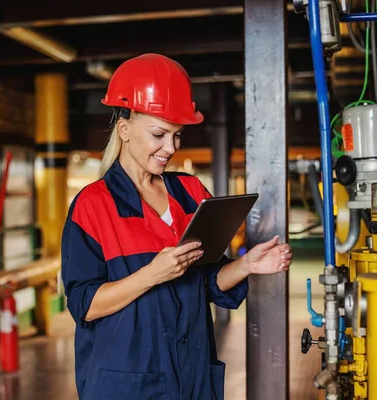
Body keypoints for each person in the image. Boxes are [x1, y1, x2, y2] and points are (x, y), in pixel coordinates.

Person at [61, 53, 292, 400]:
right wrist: (152, 274)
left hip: (191, 377)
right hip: (126, 386)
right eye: (159, 134)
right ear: (124, 129)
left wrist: (246, 265)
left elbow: (208, 282)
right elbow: (85, 304)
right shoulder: (93, 205)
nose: (170, 147)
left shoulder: (190, 193)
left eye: (177, 135)